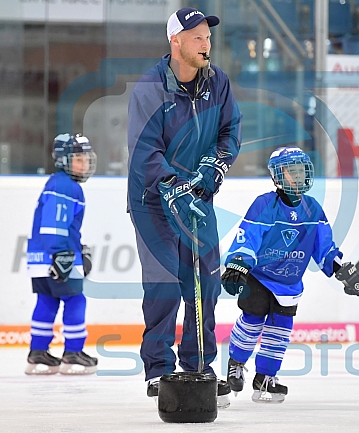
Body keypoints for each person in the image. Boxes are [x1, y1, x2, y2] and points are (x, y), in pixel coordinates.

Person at [126, 7, 242, 407]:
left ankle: (198, 365)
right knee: (164, 286)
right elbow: (145, 151)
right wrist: (173, 184)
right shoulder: (149, 89)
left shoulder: (219, 83)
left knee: (206, 285)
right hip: (153, 204)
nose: (206, 43)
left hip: (198, 200)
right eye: (197, 37)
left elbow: (230, 131)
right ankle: (158, 369)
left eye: (208, 37)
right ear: (175, 41)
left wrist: (214, 168)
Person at [221, 147, 359, 403]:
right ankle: (237, 363)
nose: (298, 177)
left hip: (289, 282)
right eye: (292, 171)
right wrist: (238, 263)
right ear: (278, 175)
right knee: (253, 318)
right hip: (259, 275)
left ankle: (265, 378)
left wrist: (341, 270)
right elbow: (248, 237)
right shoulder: (265, 204)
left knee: (280, 330)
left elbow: (325, 248)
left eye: (301, 170)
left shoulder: (313, 209)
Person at [25, 133, 98, 375]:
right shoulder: (67, 186)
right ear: (62, 160)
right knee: (76, 299)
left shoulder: (56, 182)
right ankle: (73, 353)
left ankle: (37, 352)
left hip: (39, 255)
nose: (84, 163)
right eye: (78, 158)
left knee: (47, 300)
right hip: (57, 254)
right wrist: (62, 255)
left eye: (85, 158)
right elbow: (54, 224)